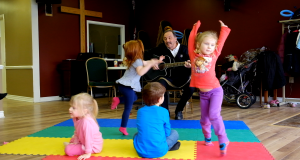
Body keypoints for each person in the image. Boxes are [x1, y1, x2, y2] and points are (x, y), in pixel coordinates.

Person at [188, 20, 231, 156]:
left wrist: (223, 29)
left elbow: (221, 42)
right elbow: (190, 41)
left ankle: (223, 139)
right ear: (199, 45)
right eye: (206, 44)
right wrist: (195, 28)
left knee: (214, 115)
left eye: (212, 45)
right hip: (203, 94)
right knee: (204, 120)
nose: (209, 47)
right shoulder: (193, 55)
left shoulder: (214, 55)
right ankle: (207, 137)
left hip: (216, 91)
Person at [110, 40, 164, 136]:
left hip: (123, 86)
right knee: (128, 108)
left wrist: (156, 61)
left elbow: (146, 62)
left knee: (134, 98)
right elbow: (141, 72)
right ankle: (123, 127)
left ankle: (118, 99)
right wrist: (151, 64)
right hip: (127, 86)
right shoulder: (137, 61)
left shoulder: (136, 60)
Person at [146, 29, 195, 120]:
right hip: (167, 78)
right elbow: (146, 53)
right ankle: (165, 112)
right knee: (160, 85)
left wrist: (190, 66)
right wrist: (153, 62)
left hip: (183, 78)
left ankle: (179, 110)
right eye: (165, 39)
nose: (167, 41)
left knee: (191, 87)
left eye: (170, 38)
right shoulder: (162, 48)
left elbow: (194, 63)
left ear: (176, 38)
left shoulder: (186, 49)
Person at [133, 82, 180, 158]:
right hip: (159, 150)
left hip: (141, 151)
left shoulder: (140, 111)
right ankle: (168, 147)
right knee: (174, 133)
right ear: (159, 99)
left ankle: (163, 146)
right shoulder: (164, 111)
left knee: (136, 134)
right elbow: (167, 132)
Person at [63, 93, 103, 160]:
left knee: (68, 150)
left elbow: (88, 138)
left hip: (93, 146)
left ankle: (73, 146)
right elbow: (77, 131)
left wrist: (87, 153)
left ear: (85, 111)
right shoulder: (76, 117)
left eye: (73, 108)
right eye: (70, 106)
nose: (70, 109)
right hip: (83, 141)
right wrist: (75, 142)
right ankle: (75, 145)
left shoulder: (87, 122)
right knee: (73, 138)